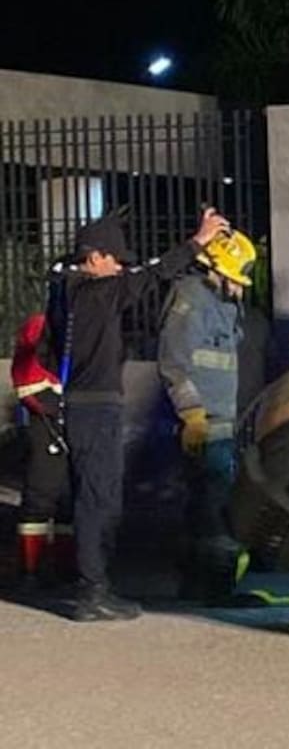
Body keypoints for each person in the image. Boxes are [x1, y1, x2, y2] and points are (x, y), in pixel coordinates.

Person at [54, 204, 228, 621]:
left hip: (83, 407)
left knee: (96, 498)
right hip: (95, 410)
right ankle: (91, 591)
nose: (119, 267)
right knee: (100, 500)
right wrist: (196, 242)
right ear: (95, 257)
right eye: (114, 259)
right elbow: (153, 275)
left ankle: (96, 586)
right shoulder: (96, 292)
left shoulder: (70, 294)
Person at [158, 228, 256, 603]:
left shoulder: (222, 303)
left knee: (209, 506)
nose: (238, 286)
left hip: (223, 422)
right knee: (215, 510)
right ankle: (215, 587)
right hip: (202, 423)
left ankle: (202, 586)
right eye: (234, 278)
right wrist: (192, 414)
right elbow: (174, 362)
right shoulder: (190, 299)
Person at [9, 312, 72, 588]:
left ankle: (61, 567)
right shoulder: (42, 324)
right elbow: (27, 378)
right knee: (41, 494)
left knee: (66, 501)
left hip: (65, 414)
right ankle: (31, 570)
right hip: (48, 418)